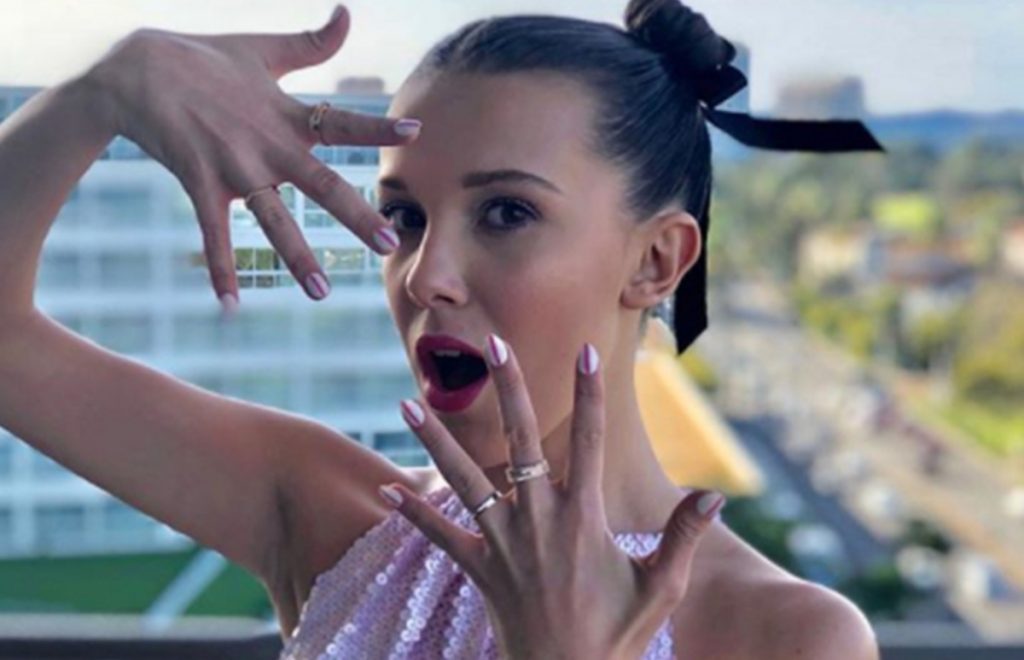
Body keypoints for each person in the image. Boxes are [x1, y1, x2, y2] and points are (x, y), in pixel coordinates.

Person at [0, 1, 882, 658]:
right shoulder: (341, 523)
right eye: (406, 217)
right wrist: (106, 88)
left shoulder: (787, 637)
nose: (425, 275)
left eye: (506, 212)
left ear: (656, 261)